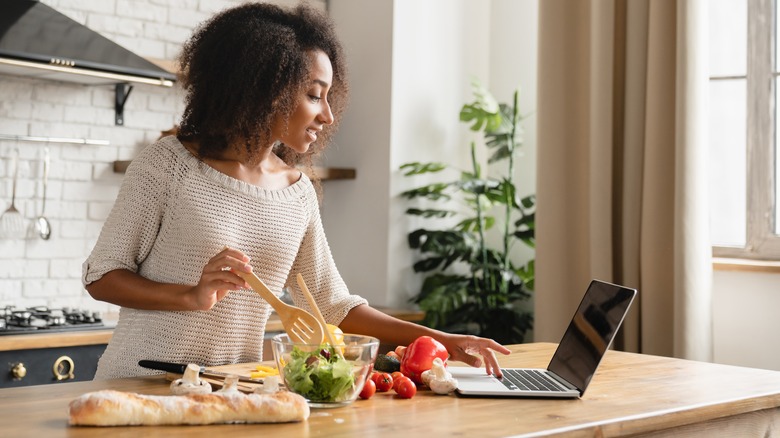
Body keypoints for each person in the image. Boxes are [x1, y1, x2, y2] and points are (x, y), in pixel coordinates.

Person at [83, 2, 510, 380]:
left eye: (328, 97)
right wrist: (191, 296)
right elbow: (102, 276)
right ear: (264, 89)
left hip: (232, 391)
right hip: (139, 383)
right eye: (313, 95)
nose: (327, 114)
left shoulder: (297, 192)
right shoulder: (168, 165)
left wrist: (441, 339)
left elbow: (333, 306)